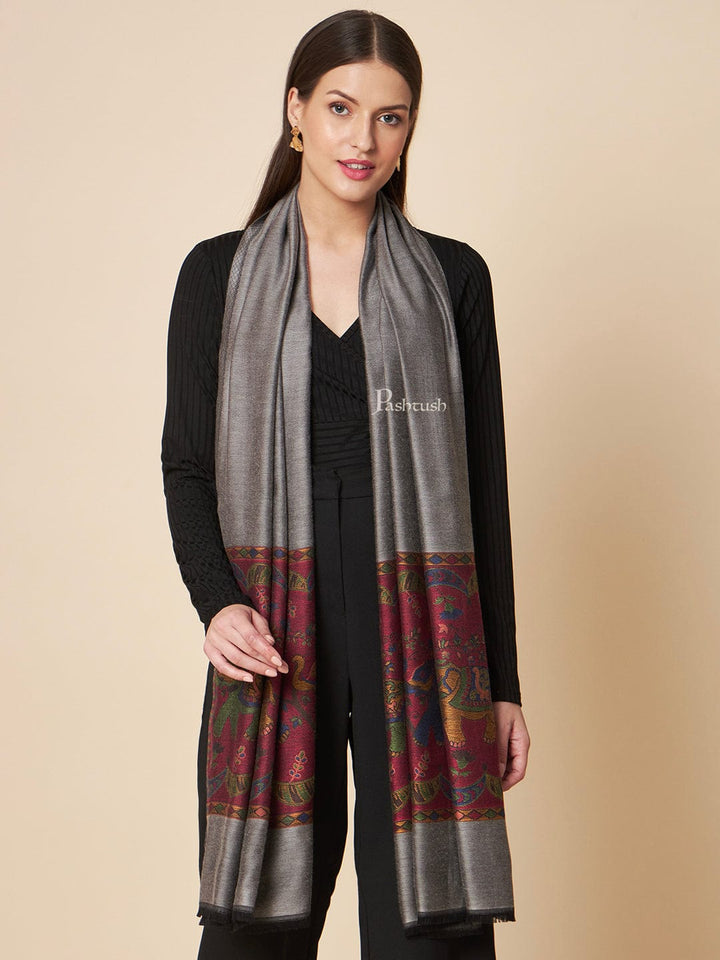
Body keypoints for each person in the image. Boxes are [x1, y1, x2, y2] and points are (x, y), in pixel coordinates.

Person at [161, 9, 530, 960]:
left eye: (390, 116)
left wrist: (502, 685)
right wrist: (217, 602)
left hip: (422, 614)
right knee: (254, 928)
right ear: (295, 110)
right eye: (339, 107)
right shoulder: (218, 274)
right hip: (275, 616)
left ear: (410, 131)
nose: (362, 138)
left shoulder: (453, 278)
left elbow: (482, 492)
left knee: (432, 931)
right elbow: (187, 465)